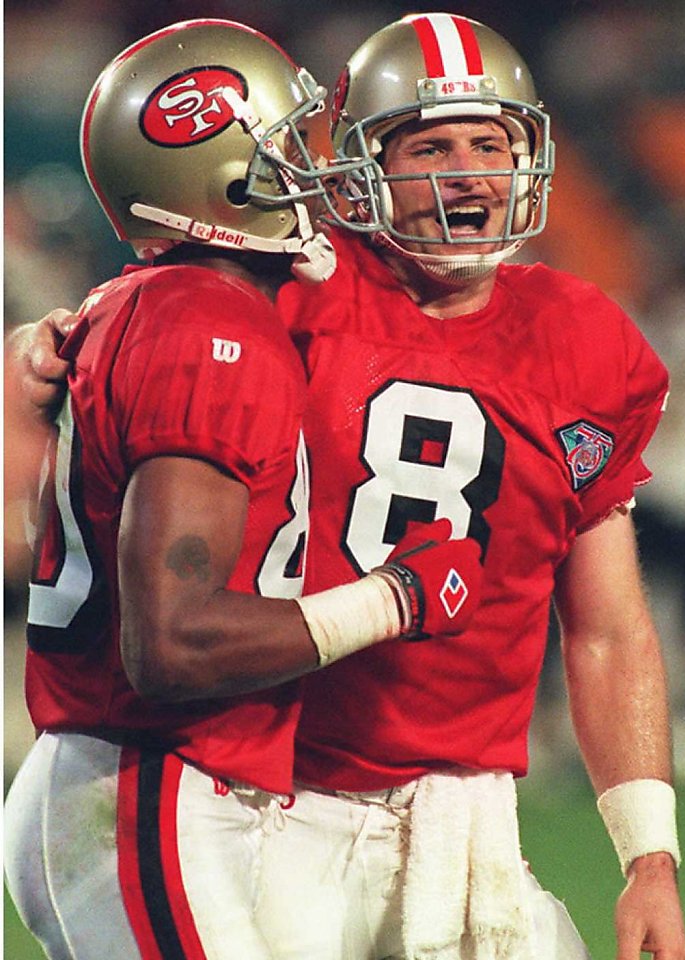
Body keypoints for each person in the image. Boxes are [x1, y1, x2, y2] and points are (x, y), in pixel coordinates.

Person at [13, 12, 685, 960]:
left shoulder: (587, 339)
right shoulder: (287, 282)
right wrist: (41, 341)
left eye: (491, 142)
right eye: (431, 145)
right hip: (275, 797)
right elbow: (154, 322)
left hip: (466, 813)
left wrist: (648, 857)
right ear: (364, 162)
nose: (467, 173)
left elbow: (610, 625)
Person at [2, 18, 484, 960]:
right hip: (143, 787)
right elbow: (172, 644)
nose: (318, 167)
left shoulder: (158, 304)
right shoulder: (204, 326)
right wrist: (396, 599)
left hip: (138, 785)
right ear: (217, 171)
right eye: (288, 146)